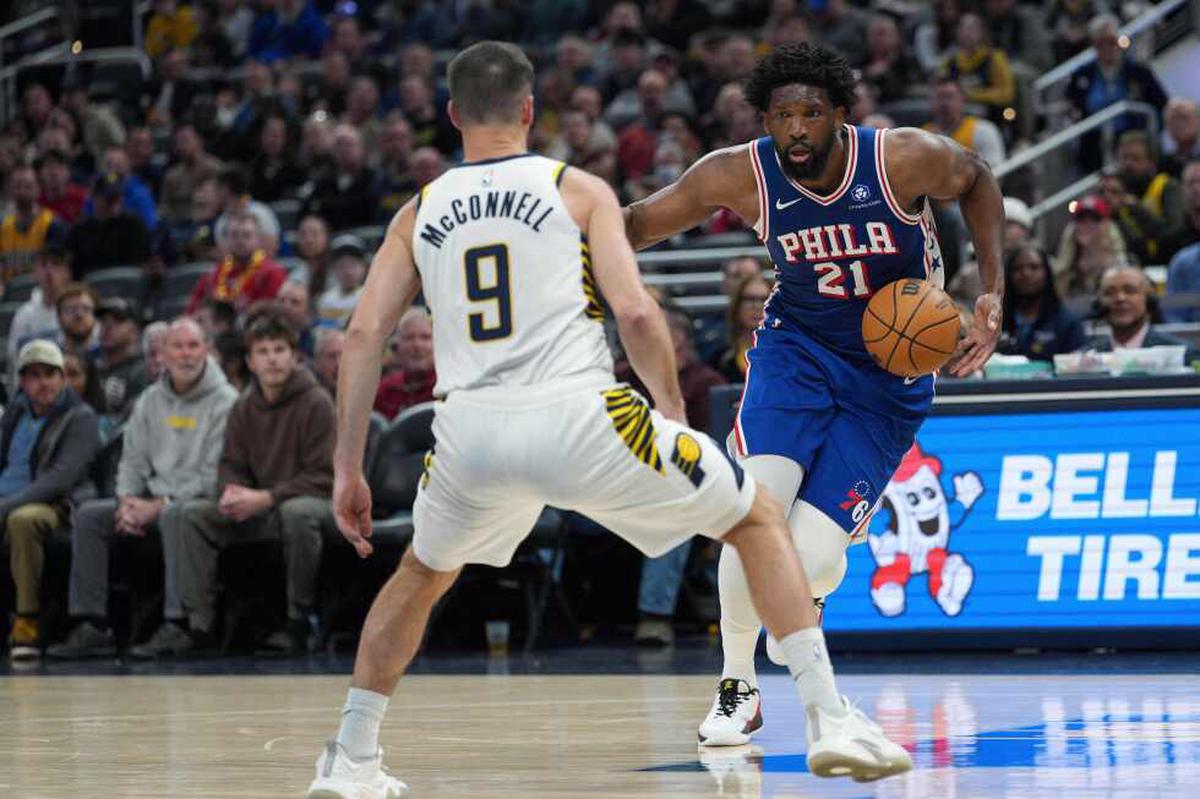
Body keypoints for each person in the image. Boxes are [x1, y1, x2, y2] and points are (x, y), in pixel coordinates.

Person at [306, 41, 912, 798]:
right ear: (530, 110)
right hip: (577, 418)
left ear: (454, 114)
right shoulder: (576, 189)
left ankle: (351, 756)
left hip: (467, 434)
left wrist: (347, 467)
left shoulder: (417, 212)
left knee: (421, 576)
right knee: (757, 517)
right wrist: (671, 410)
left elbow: (363, 336)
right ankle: (829, 718)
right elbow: (636, 312)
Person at [621, 41, 1004, 746]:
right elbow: (638, 223)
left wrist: (991, 289)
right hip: (795, 353)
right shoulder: (740, 173)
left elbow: (977, 178)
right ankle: (737, 684)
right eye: (782, 116)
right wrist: (563, 248)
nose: (797, 129)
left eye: (811, 114)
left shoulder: (900, 158)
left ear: (839, 114)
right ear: (764, 119)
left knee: (813, 556)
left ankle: (807, 597)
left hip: (887, 377)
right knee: (751, 516)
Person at [46, 318, 237, 659]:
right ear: (164, 353)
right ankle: (93, 624)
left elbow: (214, 476)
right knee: (90, 516)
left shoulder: (226, 401)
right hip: (148, 500)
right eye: (177, 346)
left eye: (193, 346)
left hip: (197, 502)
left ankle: (179, 624)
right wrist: (126, 502)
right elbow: (131, 461)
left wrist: (160, 503)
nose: (186, 354)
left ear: (206, 350)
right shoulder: (150, 400)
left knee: (176, 515)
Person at [177, 308, 337, 657]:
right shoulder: (243, 407)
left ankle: (298, 623)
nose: (272, 359)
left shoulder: (317, 402)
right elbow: (230, 465)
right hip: (262, 504)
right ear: (250, 362)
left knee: (297, 513)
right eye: (263, 352)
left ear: (294, 357)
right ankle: (199, 627)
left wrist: (266, 497)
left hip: (316, 502)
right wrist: (233, 493)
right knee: (192, 515)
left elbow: (323, 476)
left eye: (279, 350)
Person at [1, 340, 102, 660]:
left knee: (23, 520)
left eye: (49, 374)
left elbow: (60, 478)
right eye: (33, 375)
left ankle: (27, 620)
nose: (42, 382)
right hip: (7, 495)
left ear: (62, 378)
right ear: (22, 381)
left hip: (58, 505)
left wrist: (4, 507)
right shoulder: (16, 412)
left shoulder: (80, 417)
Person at [1090, 264, 1198, 363]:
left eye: (1130, 291)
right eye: (1110, 292)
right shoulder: (1086, 357)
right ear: (1098, 304)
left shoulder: (1182, 356)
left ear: (1149, 300)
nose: (1120, 298)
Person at [186, 212, 288, 314]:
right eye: (234, 235)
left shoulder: (272, 273)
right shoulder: (213, 274)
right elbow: (191, 312)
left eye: (246, 235)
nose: (240, 241)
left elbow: (274, 313)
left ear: (259, 239)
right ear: (226, 240)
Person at [997, 245, 1086, 362]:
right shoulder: (995, 321)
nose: (1026, 274)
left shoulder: (1067, 322)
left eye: (1034, 267)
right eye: (1017, 268)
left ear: (1047, 273)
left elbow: (1077, 366)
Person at [7, 245, 71, 390]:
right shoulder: (23, 315)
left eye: (55, 264)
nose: (49, 272)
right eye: (43, 265)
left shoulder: (77, 309)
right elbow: (14, 362)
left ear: (67, 272)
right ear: (35, 271)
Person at [1053, 194, 1127, 299]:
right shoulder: (1065, 272)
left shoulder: (1122, 268)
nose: (1087, 225)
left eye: (1095, 219)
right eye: (1081, 219)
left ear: (1107, 226)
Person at [1, 165, 66, 285]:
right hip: (9, 292)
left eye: (28, 186)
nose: (22, 191)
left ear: (38, 189)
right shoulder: (3, 227)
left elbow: (55, 271)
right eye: (17, 186)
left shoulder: (53, 225)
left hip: (41, 290)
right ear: (9, 190)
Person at [373, 307, 435, 419]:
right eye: (409, 338)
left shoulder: (450, 387)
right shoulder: (384, 391)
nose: (417, 345)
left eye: (425, 337)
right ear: (396, 346)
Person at [714, 274, 771, 383]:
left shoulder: (787, 357)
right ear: (737, 305)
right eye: (749, 299)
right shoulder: (719, 359)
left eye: (764, 299)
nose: (756, 306)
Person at [316, 234, 367, 325]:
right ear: (333, 269)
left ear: (363, 267)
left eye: (353, 265)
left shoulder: (369, 298)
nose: (348, 272)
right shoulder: (326, 300)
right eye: (342, 266)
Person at [55, 283, 101, 356]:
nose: (79, 315)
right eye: (72, 309)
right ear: (59, 316)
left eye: (86, 309)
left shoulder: (108, 348)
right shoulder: (50, 348)